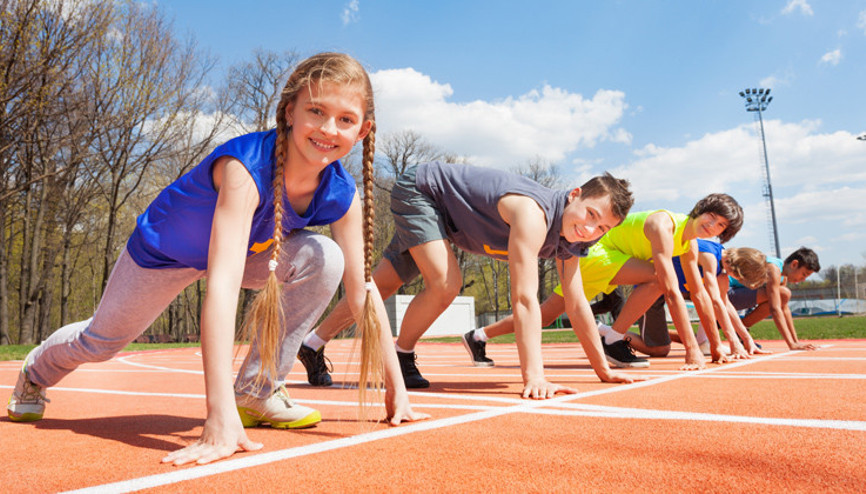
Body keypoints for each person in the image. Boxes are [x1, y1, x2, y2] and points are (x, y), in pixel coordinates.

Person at [6, 53, 428, 466]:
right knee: (100, 343)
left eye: (346, 119)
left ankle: (257, 390)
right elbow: (222, 288)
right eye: (316, 111)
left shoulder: (341, 193)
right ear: (289, 113)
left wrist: (397, 388)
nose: (328, 128)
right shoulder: (245, 170)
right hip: (165, 253)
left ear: (363, 130)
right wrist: (218, 418)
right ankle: (36, 371)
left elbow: (362, 292)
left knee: (324, 258)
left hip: (248, 255)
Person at [298, 162, 639, 399]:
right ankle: (402, 354)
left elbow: (576, 303)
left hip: (447, 219)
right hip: (423, 192)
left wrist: (603, 368)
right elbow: (524, 299)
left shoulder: (575, 241)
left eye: (602, 229)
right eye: (590, 214)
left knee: (382, 284)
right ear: (574, 195)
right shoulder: (533, 215)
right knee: (446, 284)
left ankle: (312, 343)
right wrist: (534, 376)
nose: (590, 230)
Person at [472, 194, 744, 370]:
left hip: (616, 259)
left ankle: (478, 336)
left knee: (544, 315)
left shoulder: (690, 245)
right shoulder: (665, 226)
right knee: (658, 278)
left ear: (724, 233)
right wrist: (693, 350)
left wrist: (718, 345)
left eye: (720, 226)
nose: (712, 225)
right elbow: (672, 292)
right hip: (599, 252)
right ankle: (612, 339)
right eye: (711, 216)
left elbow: (699, 294)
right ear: (700, 209)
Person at [642, 240, 769, 359]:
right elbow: (715, 302)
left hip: (668, 289)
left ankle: (702, 341)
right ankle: (622, 336)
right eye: (741, 278)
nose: (738, 280)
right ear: (738, 269)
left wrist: (747, 340)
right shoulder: (710, 256)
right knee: (659, 350)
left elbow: (725, 304)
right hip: (650, 287)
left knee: (661, 349)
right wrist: (734, 342)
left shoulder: (722, 269)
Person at [727, 246, 821, 350]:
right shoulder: (773, 269)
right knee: (784, 294)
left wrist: (795, 341)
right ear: (794, 264)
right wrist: (791, 344)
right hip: (725, 294)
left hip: (735, 295)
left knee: (783, 295)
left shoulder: (782, 275)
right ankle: (740, 329)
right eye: (804, 274)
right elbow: (774, 308)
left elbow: (783, 308)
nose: (803, 280)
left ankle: (740, 330)